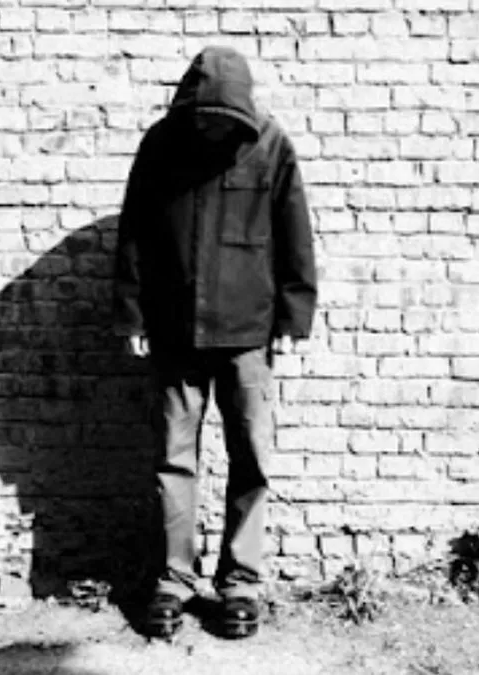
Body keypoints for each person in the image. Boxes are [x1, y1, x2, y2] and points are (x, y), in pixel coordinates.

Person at [113, 45, 317, 639]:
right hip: (174, 331)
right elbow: (134, 232)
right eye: (203, 119)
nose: (211, 130)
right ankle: (173, 582)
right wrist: (132, 316)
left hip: (249, 333)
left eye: (221, 121)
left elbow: (295, 233)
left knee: (251, 459)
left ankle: (240, 584)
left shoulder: (271, 145)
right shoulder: (160, 146)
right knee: (172, 460)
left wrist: (294, 317)